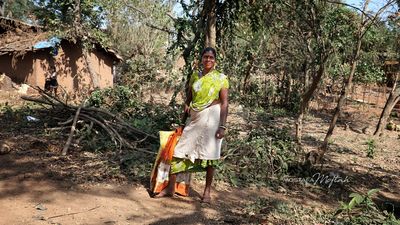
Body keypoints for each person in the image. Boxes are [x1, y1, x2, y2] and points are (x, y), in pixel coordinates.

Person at [156, 47, 229, 203]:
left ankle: (207, 193)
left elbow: (224, 103)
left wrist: (222, 126)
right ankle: (170, 189)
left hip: (213, 119)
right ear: (201, 59)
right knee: (178, 151)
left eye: (211, 57)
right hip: (195, 118)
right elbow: (188, 101)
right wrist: (182, 123)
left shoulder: (221, 78)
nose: (208, 60)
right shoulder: (195, 76)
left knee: (210, 156)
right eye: (205, 57)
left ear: (215, 60)